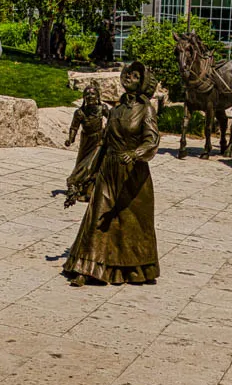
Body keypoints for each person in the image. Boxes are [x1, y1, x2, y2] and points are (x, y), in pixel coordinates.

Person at [62, 61, 161, 286]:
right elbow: (103, 144)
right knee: (97, 216)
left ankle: (135, 270)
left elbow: (152, 140)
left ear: (143, 83)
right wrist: (82, 176)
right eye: (128, 73)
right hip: (109, 170)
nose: (129, 77)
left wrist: (136, 154)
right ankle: (85, 270)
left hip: (133, 176)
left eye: (136, 76)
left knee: (130, 225)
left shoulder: (146, 110)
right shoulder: (115, 109)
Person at [63, 87, 106, 204]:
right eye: (87, 94)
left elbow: (112, 119)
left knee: (91, 165)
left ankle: (86, 189)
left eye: (93, 94)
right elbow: (74, 127)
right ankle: (79, 188)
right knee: (81, 164)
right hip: (86, 141)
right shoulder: (80, 113)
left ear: (98, 96)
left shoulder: (102, 109)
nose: (90, 96)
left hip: (99, 141)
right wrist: (70, 139)